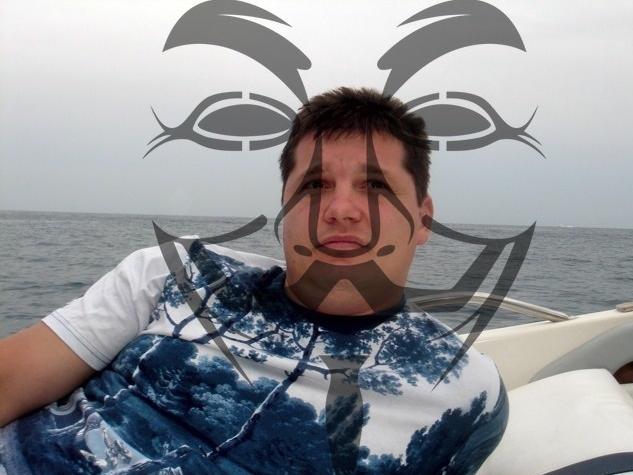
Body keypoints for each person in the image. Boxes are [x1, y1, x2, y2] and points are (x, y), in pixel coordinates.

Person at [0, 87, 508, 474]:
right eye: (315, 184)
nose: (340, 209)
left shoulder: (465, 391)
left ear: (423, 219)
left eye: (375, 185)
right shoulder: (178, 271)